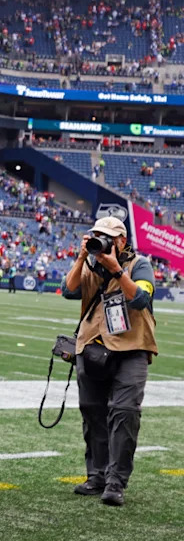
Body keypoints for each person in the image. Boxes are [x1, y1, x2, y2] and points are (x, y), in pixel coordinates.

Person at [62, 216, 157, 507]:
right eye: (96, 236)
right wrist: (81, 257)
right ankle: (97, 476)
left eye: (107, 238)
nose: (100, 242)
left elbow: (140, 298)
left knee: (124, 413)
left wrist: (117, 271)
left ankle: (116, 482)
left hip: (132, 348)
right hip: (92, 347)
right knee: (92, 412)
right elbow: (68, 290)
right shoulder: (89, 265)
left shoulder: (139, 264)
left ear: (122, 241)